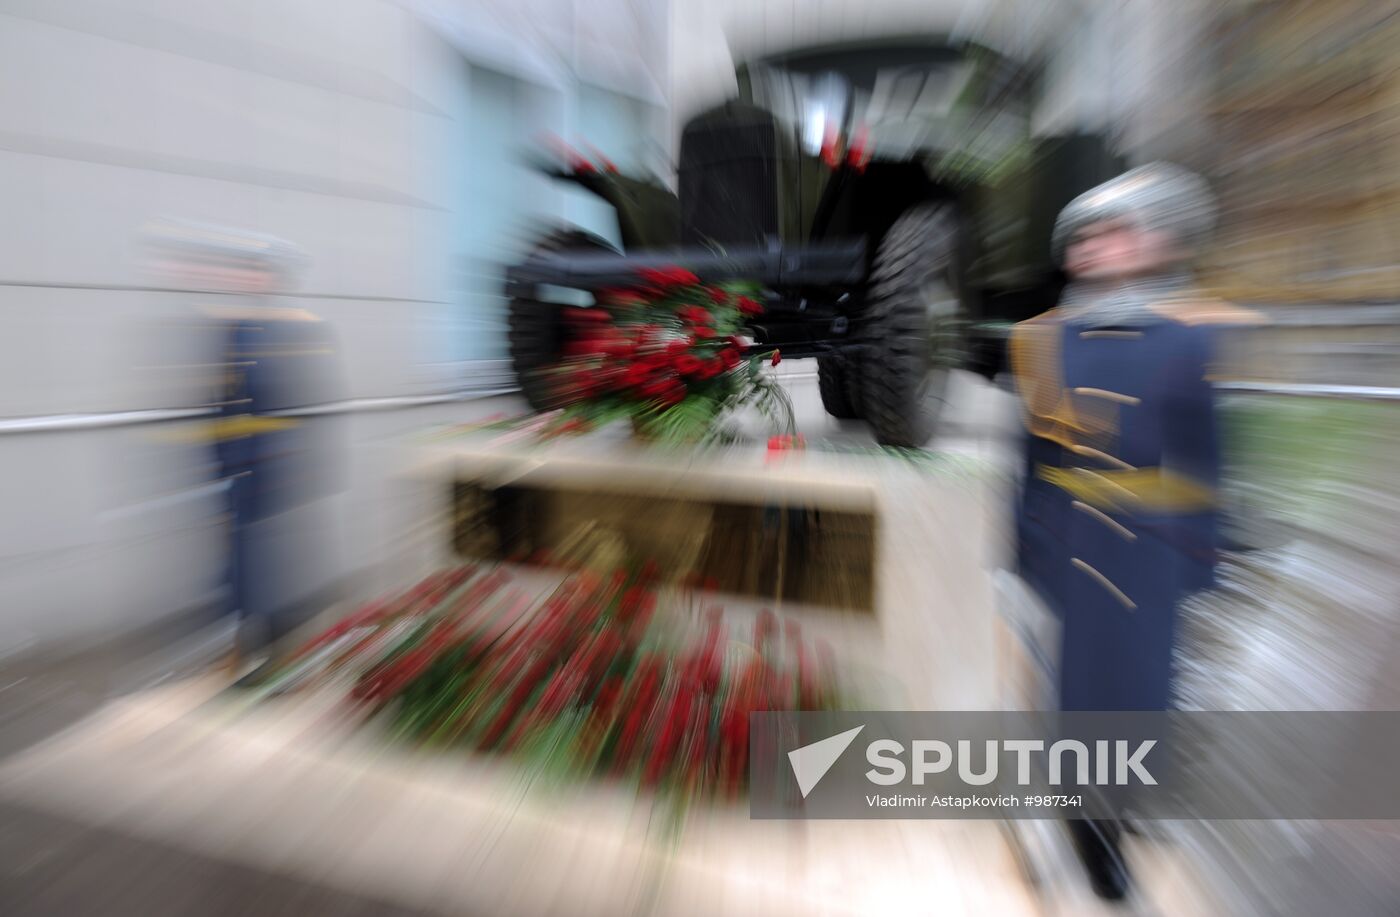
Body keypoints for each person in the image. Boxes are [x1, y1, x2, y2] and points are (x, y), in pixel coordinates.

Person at [1008, 162, 1251, 900]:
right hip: (1078, 540)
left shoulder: (1188, 341)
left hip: (1154, 543)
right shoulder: (1045, 340)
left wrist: (1207, 556)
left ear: (1157, 243)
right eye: (1086, 236)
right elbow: (1030, 460)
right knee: (1084, 694)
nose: (1096, 247)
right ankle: (1094, 835)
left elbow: (1208, 454)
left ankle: (1129, 801)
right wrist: (1024, 553)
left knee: (1149, 690)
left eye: (1115, 232)